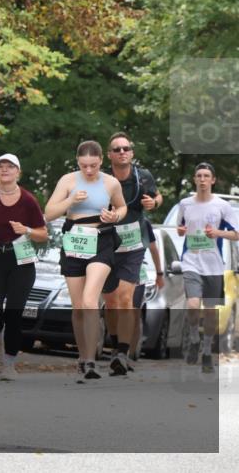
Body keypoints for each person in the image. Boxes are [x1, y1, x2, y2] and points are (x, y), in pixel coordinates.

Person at [44, 141, 127, 383]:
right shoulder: (68, 181)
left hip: (102, 240)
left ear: (101, 160)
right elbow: (49, 213)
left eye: (93, 165)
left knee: (91, 300)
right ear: (77, 162)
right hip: (75, 240)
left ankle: (91, 360)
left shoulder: (111, 182)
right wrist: (70, 201)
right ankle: (82, 357)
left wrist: (114, 215)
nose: (88, 170)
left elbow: (122, 207)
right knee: (79, 306)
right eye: (83, 166)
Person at [0, 153, 48, 381]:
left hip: (21, 261)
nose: (5, 170)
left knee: (14, 312)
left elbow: (43, 235)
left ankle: (9, 363)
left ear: (18, 172)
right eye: (0, 166)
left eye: (10, 166)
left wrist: (28, 231)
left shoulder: (28, 200)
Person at [100, 132, 163, 375]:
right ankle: (116, 348)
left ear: (132, 153)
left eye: (126, 148)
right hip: (107, 245)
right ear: (110, 155)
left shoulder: (143, 176)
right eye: (117, 149)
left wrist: (154, 203)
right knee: (111, 302)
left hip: (133, 245)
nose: (122, 152)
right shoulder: (102, 179)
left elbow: (158, 196)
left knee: (126, 299)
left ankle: (123, 354)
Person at [176, 162, 239, 373]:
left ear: (213, 180)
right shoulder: (185, 204)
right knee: (193, 304)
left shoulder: (223, 206)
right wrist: (181, 230)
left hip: (213, 265)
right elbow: (180, 228)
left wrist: (218, 233)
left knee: (210, 311)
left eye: (206, 176)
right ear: (194, 179)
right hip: (191, 262)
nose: (202, 179)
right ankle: (194, 337)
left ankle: (205, 351)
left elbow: (237, 234)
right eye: (199, 176)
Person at [128, 219, 165, 361]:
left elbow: (153, 249)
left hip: (137, 272)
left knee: (134, 313)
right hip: (115, 270)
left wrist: (159, 274)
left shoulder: (144, 223)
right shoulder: (113, 217)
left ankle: (130, 353)